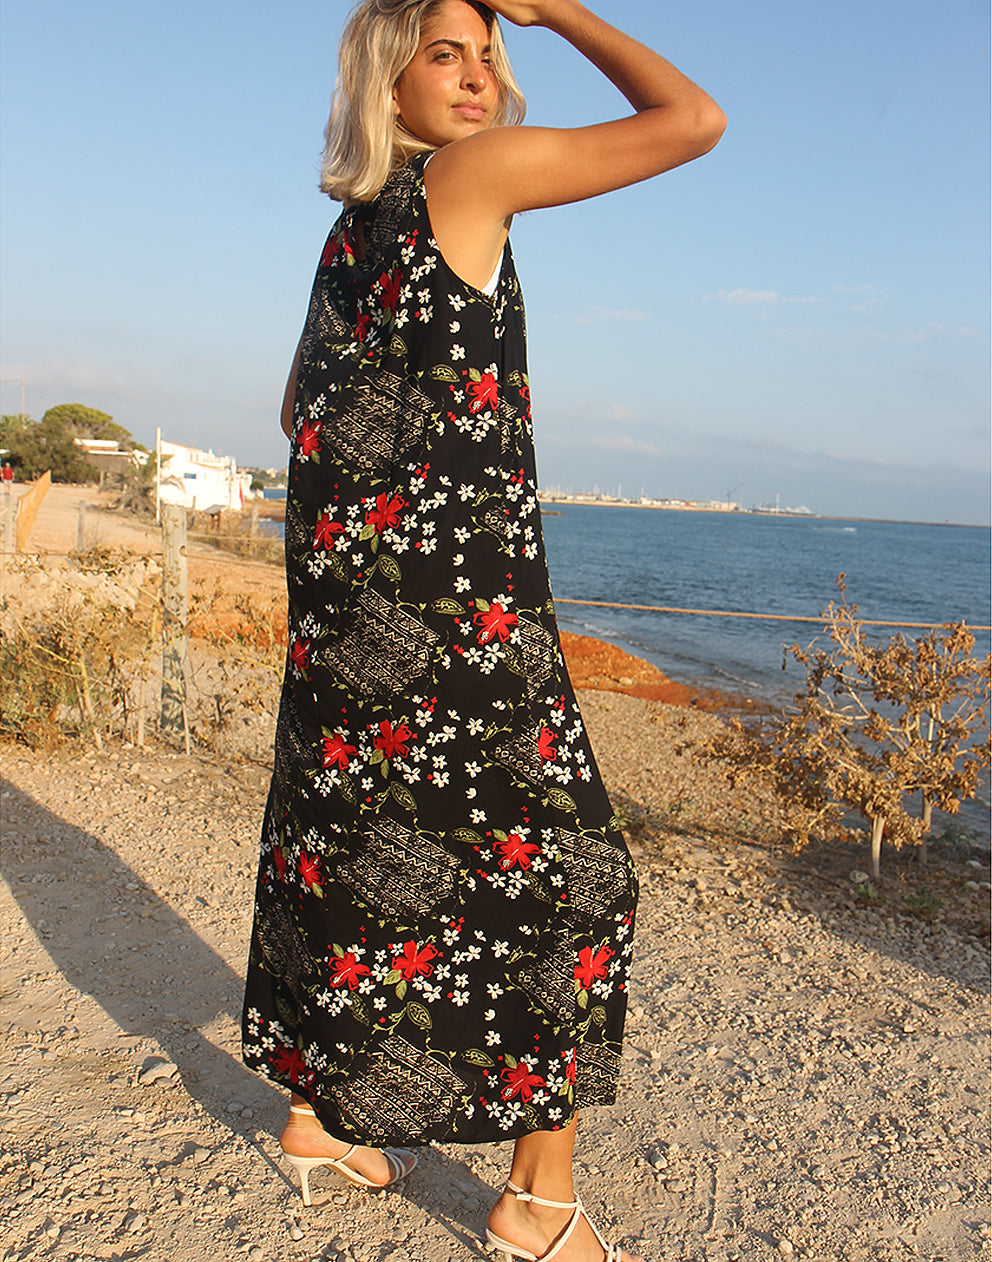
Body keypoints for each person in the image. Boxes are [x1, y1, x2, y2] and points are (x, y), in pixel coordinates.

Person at [241, 2, 725, 1258]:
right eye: (442, 52)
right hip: (455, 596)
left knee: (344, 836)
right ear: (384, 77)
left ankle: (320, 1116)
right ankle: (533, 1201)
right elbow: (693, 122)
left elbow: (301, 400)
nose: (475, 75)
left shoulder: (351, 232)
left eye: (487, 51)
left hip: (349, 586)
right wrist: (558, 8)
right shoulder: (471, 174)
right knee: (569, 872)